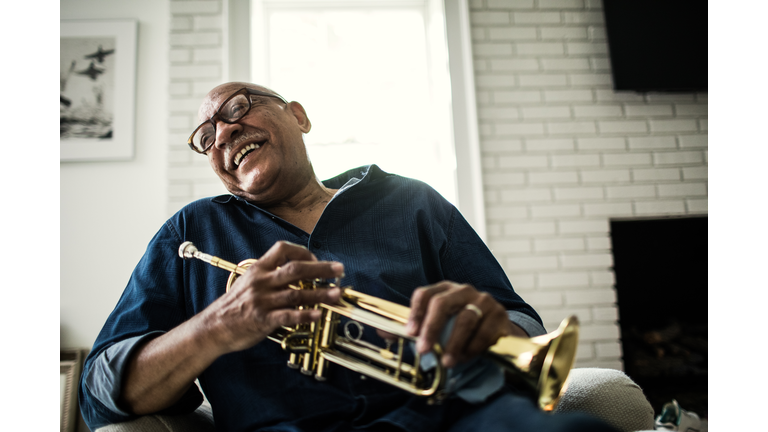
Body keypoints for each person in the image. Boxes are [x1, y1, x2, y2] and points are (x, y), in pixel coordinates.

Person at [79, 82, 618, 432]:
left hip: (451, 422)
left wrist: (489, 323)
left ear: (299, 116)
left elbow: (519, 320)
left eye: (238, 108)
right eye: (205, 136)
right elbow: (100, 388)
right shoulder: (192, 232)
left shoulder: (412, 201)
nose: (223, 133)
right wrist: (219, 326)